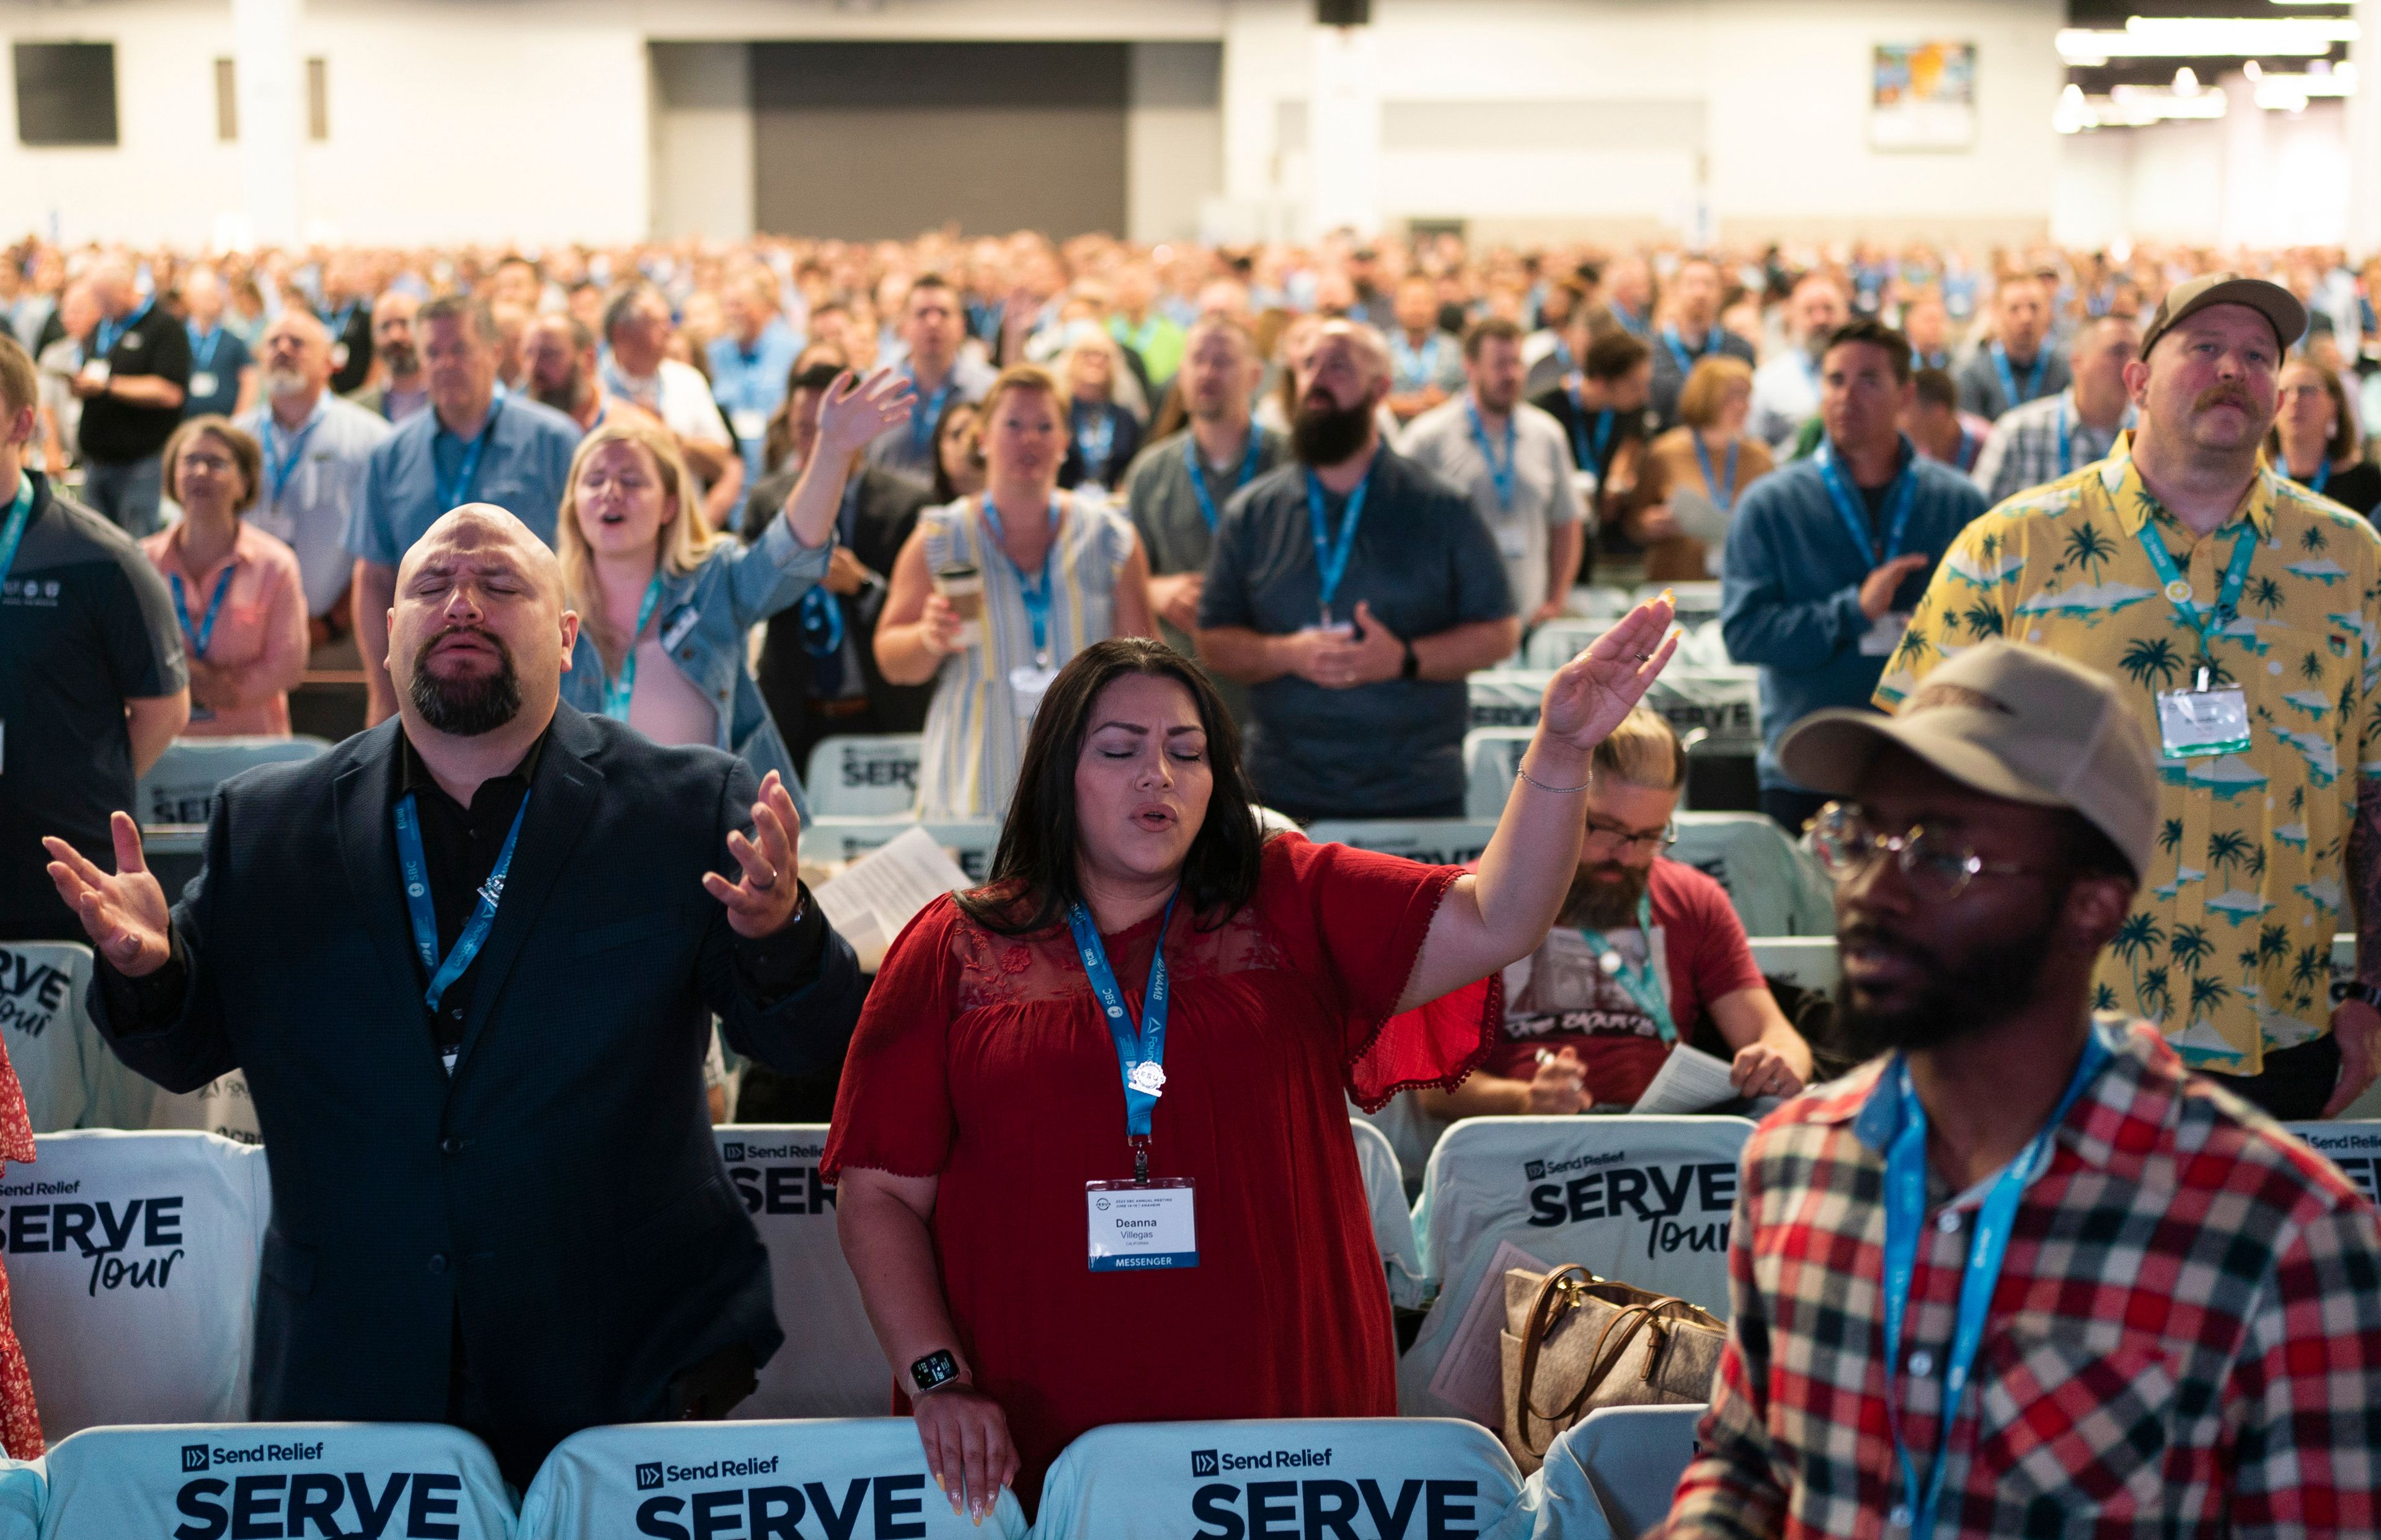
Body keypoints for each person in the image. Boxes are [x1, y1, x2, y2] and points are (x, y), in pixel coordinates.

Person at [50, 502, 865, 1488]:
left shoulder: (690, 807)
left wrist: (780, 936)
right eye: (432, 586)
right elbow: (183, 1050)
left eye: (502, 585)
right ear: (388, 636)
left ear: (567, 638)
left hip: (631, 1362)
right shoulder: (267, 828)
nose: (462, 604)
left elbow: (804, 1039)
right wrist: (153, 973)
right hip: (355, 1365)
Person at [827, 604, 1682, 1514]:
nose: (1157, 774)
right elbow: (877, 1191)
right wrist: (937, 1379)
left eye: (1186, 751)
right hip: (1031, 1423)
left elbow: (1502, 916)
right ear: (1058, 775)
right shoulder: (957, 946)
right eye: (1119, 749)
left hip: (1288, 1412)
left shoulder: (1293, 898)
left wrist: (1559, 754)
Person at [1661, 640, 2381, 1538]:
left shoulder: (2280, 1233)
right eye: (1859, 836)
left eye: (1940, 855)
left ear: (2094, 905)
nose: (1871, 891)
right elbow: (1746, 1462)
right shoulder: (1793, 1161)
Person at [1885, 273, 2381, 1120]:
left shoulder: (2349, 560)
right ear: (2138, 382)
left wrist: (2375, 993)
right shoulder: (2012, 548)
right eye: (2204, 349)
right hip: (2055, 1032)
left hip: (2278, 1030)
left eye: (2259, 355)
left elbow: (2375, 792)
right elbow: (1906, 788)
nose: (2233, 368)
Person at [1412, 706, 1812, 1117]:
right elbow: (1433, 1087)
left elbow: (1775, 1034)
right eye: (1603, 828)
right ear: (1554, 801)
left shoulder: (1694, 898)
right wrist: (1525, 1099)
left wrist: (1778, 1061)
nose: (1625, 856)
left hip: (1662, 1143)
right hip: (1526, 1145)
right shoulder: (1476, 897)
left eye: (1650, 836)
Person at [1199, 321, 1519, 821]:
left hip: (1413, 792)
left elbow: (1500, 634)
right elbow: (1213, 638)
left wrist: (1404, 659)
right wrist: (1284, 653)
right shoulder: (1254, 512)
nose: (1318, 379)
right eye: (1308, 365)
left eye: (1339, 366)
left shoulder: (1441, 507)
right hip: (1282, 792)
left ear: (1381, 389)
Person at [556, 384, 901, 802]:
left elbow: (791, 552)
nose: (611, 491)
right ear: (573, 502)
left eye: (631, 480)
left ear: (669, 505)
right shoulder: (546, 603)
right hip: (588, 839)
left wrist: (831, 452)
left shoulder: (714, 579)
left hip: (713, 835)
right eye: (594, 480)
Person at [1720, 319, 1986, 836]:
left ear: (1905, 394)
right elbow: (1744, 634)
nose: (1847, 396)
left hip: (1926, 764)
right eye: (1835, 380)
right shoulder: (1771, 506)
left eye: (1869, 381)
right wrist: (1851, 613)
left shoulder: (1959, 503)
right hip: (1806, 772)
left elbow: (1990, 633)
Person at [874, 365, 1156, 819]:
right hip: (971, 780)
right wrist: (928, 638)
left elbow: (1146, 671)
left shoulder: (1110, 538)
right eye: (1013, 425)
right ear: (982, 438)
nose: (1030, 439)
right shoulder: (940, 536)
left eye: (1045, 426)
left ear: (1066, 442)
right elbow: (891, 660)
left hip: (1084, 781)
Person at [0, 334, 190, 940]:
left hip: (58, 873)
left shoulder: (99, 557)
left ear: (21, 422)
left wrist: (72, 776)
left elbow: (164, 709)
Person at [349, 295, 582, 726]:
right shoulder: (391, 454)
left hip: (537, 679)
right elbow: (375, 577)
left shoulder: (555, 441)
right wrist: (382, 694)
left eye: (459, 349)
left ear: (495, 353)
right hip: (427, 676)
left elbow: (587, 565)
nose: (444, 364)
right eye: (433, 353)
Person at [744, 363, 938, 769]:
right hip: (794, 715)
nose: (819, 444)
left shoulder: (907, 504)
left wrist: (862, 585)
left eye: (829, 429)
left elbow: (922, 616)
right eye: (804, 430)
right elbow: (749, 602)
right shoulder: (767, 504)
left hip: (882, 713)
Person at [1120, 315, 1288, 727]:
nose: (1207, 372)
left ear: (1255, 376)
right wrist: (1154, 590)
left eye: (1222, 360)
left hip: (1274, 683)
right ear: (1181, 374)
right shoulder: (1150, 472)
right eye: (1197, 360)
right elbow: (1119, 579)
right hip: (1181, 687)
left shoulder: (1294, 465)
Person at [1398, 316, 1585, 626]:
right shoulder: (1428, 438)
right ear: (1470, 366)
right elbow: (1398, 528)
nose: (1511, 374)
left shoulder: (1547, 434)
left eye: (1516, 363)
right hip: (1455, 625)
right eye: (1499, 364)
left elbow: (1566, 522)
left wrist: (1556, 600)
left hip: (1530, 619)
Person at [140, 418, 308, 736]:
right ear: (173, 476)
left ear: (244, 482)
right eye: (190, 461)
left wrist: (211, 687)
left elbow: (288, 667)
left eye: (217, 463)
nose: (201, 472)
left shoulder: (276, 565)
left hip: (253, 752)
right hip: (165, 747)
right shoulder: (141, 562)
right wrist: (197, 680)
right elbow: (128, 657)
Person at [237, 308, 393, 649]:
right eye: (273, 342)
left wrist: (334, 621)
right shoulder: (236, 437)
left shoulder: (371, 438)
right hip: (245, 628)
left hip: (340, 632)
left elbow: (383, 542)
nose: (283, 349)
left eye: (297, 343)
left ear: (328, 363)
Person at [600, 284, 743, 528]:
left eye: (669, 321)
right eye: (657, 323)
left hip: (680, 528)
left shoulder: (687, 380)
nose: (670, 330)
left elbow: (721, 460)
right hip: (611, 528)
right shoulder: (595, 387)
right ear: (621, 334)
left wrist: (670, 439)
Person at [1626, 355, 1776, 583]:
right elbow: (1633, 522)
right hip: (1677, 584)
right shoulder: (1665, 452)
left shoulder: (1760, 457)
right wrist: (1648, 524)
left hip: (1739, 583)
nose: (1743, 405)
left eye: (1747, 396)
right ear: (1706, 397)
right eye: (1734, 395)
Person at [74, 257, 191, 538]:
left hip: (140, 463)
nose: (100, 307)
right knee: (96, 545)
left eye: (105, 300)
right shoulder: (101, 327)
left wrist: (108, 386)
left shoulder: (165, 329)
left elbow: (170, 392)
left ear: (127, 290)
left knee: (137, 546)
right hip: (97, 459)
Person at [1971, 314, 2140, 506]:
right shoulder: (2018, 432)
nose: (2133, 364)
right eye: (2118, 352)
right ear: (2077, 362)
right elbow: (1978, 521)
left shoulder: (2149, 435)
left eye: (2141, 353)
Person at [869, 276, 995, 486]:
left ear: (961, 325)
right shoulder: (877, 390)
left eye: (944, 313)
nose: (933, 322)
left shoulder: (988, 389)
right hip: (888, 512)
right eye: (922, 313)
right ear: (904, 326)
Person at [1533, 328, 1653, 540]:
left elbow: (1635, 441)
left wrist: (1619, 478)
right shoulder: (1543, 412)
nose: (1645, 395)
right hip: (1556, 527)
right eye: (1635, 386)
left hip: (1606, 530)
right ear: (1600, 383)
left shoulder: (1632, 408)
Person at [709, 269, 802, 484]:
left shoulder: (793, 350)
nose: (731, 313)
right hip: (730, 472)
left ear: (766, 307)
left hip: (779, 469)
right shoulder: (715, 353)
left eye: (739, 305)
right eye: (726, 305)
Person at [1647, 256, 1757, 430]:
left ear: (1721, 293)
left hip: (1725, 448)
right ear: (1675, 291)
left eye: (1708, 284)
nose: (1700, 293)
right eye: (1691, 284)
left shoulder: (1740, 350)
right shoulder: (1651, 351)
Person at [2268, 356, 2381, 518]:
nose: (2294, 400)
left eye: (2307, 390)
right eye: (2284, 391)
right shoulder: (2253, 479)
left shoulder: (2367, 482)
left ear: (2334, 404)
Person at [1748, 273, 1847, 449]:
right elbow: (1753, 446)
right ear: (1793, 318)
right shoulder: (1768, 379)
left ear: (1846, 314)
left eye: (1829, 309)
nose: (1820, 319)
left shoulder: (1868, 375)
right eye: (1809, 311)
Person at [1958, 272, 2072, 422]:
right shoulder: (1973, 376)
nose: (2026, 318)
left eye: (2034, 307)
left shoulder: (2066, 371)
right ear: (1996, 314)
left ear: (2048, 313)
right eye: (2014, 309)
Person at [1055, 328, 1142, 494]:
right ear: (1071, 362)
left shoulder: (1127, 419)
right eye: (1086, 354)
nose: (1095, 360)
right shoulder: (1058, 414)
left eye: (1104, 356)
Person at [178, 265, 255, 422]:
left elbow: (250, 380)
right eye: (207, 295)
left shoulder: (235, 340)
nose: (215, 300)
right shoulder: (176, 337)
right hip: (183, 425)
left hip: (225, 425)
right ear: (190, 300)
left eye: (217, 294)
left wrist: (239, 421)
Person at [1384, 274, 1463, 424]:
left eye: (1424, 302)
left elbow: (1471, 396)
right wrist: (1394, 405)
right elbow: (1365, 398)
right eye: (1410, 302)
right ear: (1395, 306)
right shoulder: (1381, 349)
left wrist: (1446, 402)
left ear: (1437, 307)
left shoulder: (1455, 349)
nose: (1417, 309)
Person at [348, 290, 429, 425]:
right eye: (385, 327)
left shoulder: (450, 402)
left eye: (405, 323)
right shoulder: (354, 411)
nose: (395, 336)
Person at [1901, 367, 1991, 475]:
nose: (1899, 422)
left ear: (1939, 413)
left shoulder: (1987, 442)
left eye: (1905, 412)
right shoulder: (1918, 451)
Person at [317, 257, 376, 396]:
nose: (333, 287)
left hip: (357, 389)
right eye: (330, 282)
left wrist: (367, 390)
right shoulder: (317, 316)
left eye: (338, 282)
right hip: (326, 390)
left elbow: (375, 357)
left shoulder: (364, 317)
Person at [931, 398, 988, 504]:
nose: (969, 441)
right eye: (957, 434)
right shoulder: (926, 513)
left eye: (977, 434)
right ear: (939, 448)